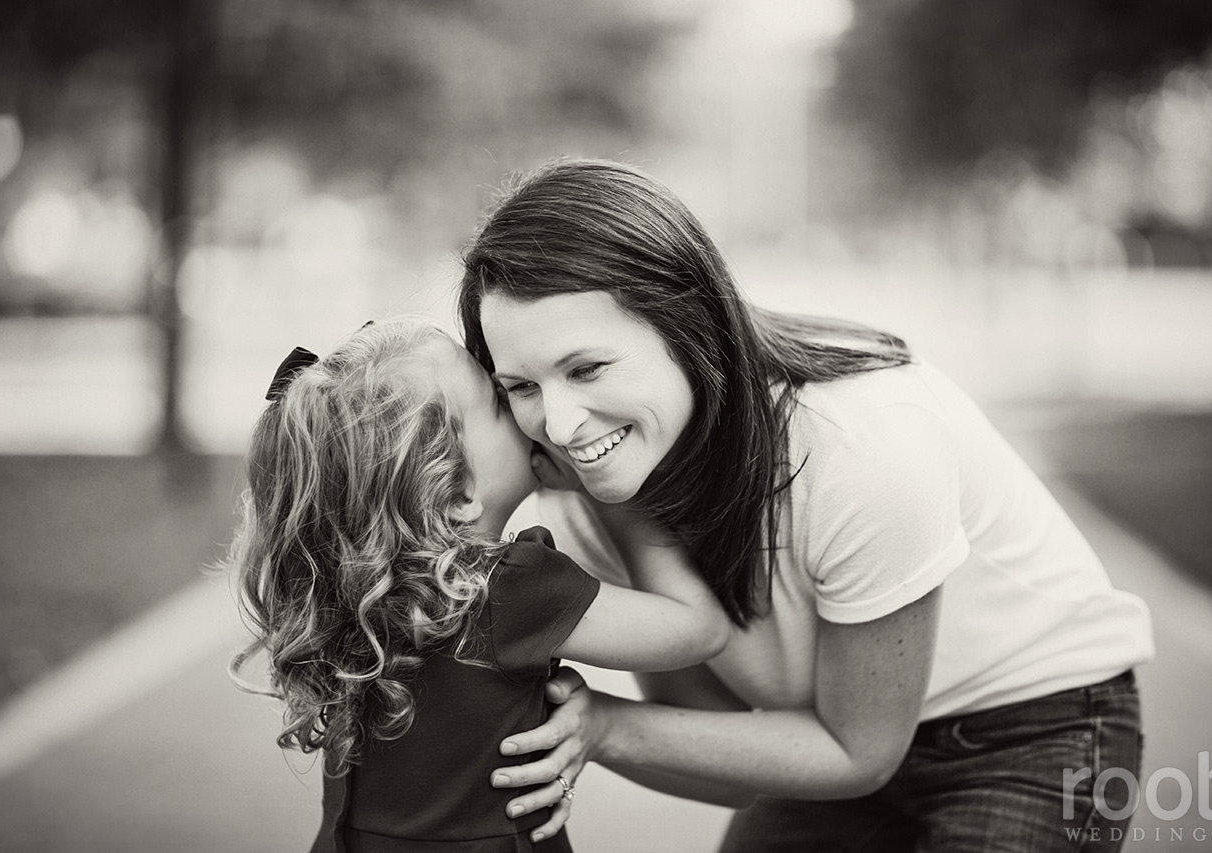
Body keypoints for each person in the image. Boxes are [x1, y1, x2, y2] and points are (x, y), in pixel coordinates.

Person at [456, 158, 1155, 851]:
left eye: (587, 368)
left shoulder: (860, 442)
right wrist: (625, 517)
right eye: (521, 386)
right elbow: (715, 748)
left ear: (687, 323)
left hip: (1033, 725)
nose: (562, 422)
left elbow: (860, 751)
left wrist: (602, 725)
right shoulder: (598, 484)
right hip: (820, 737)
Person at [225, 317, 729, 852]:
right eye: (496, 401)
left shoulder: (354, 592)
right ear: (459, 490)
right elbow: (699, 630)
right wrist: (618, 493)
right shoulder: (508, 589)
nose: (525, 413)